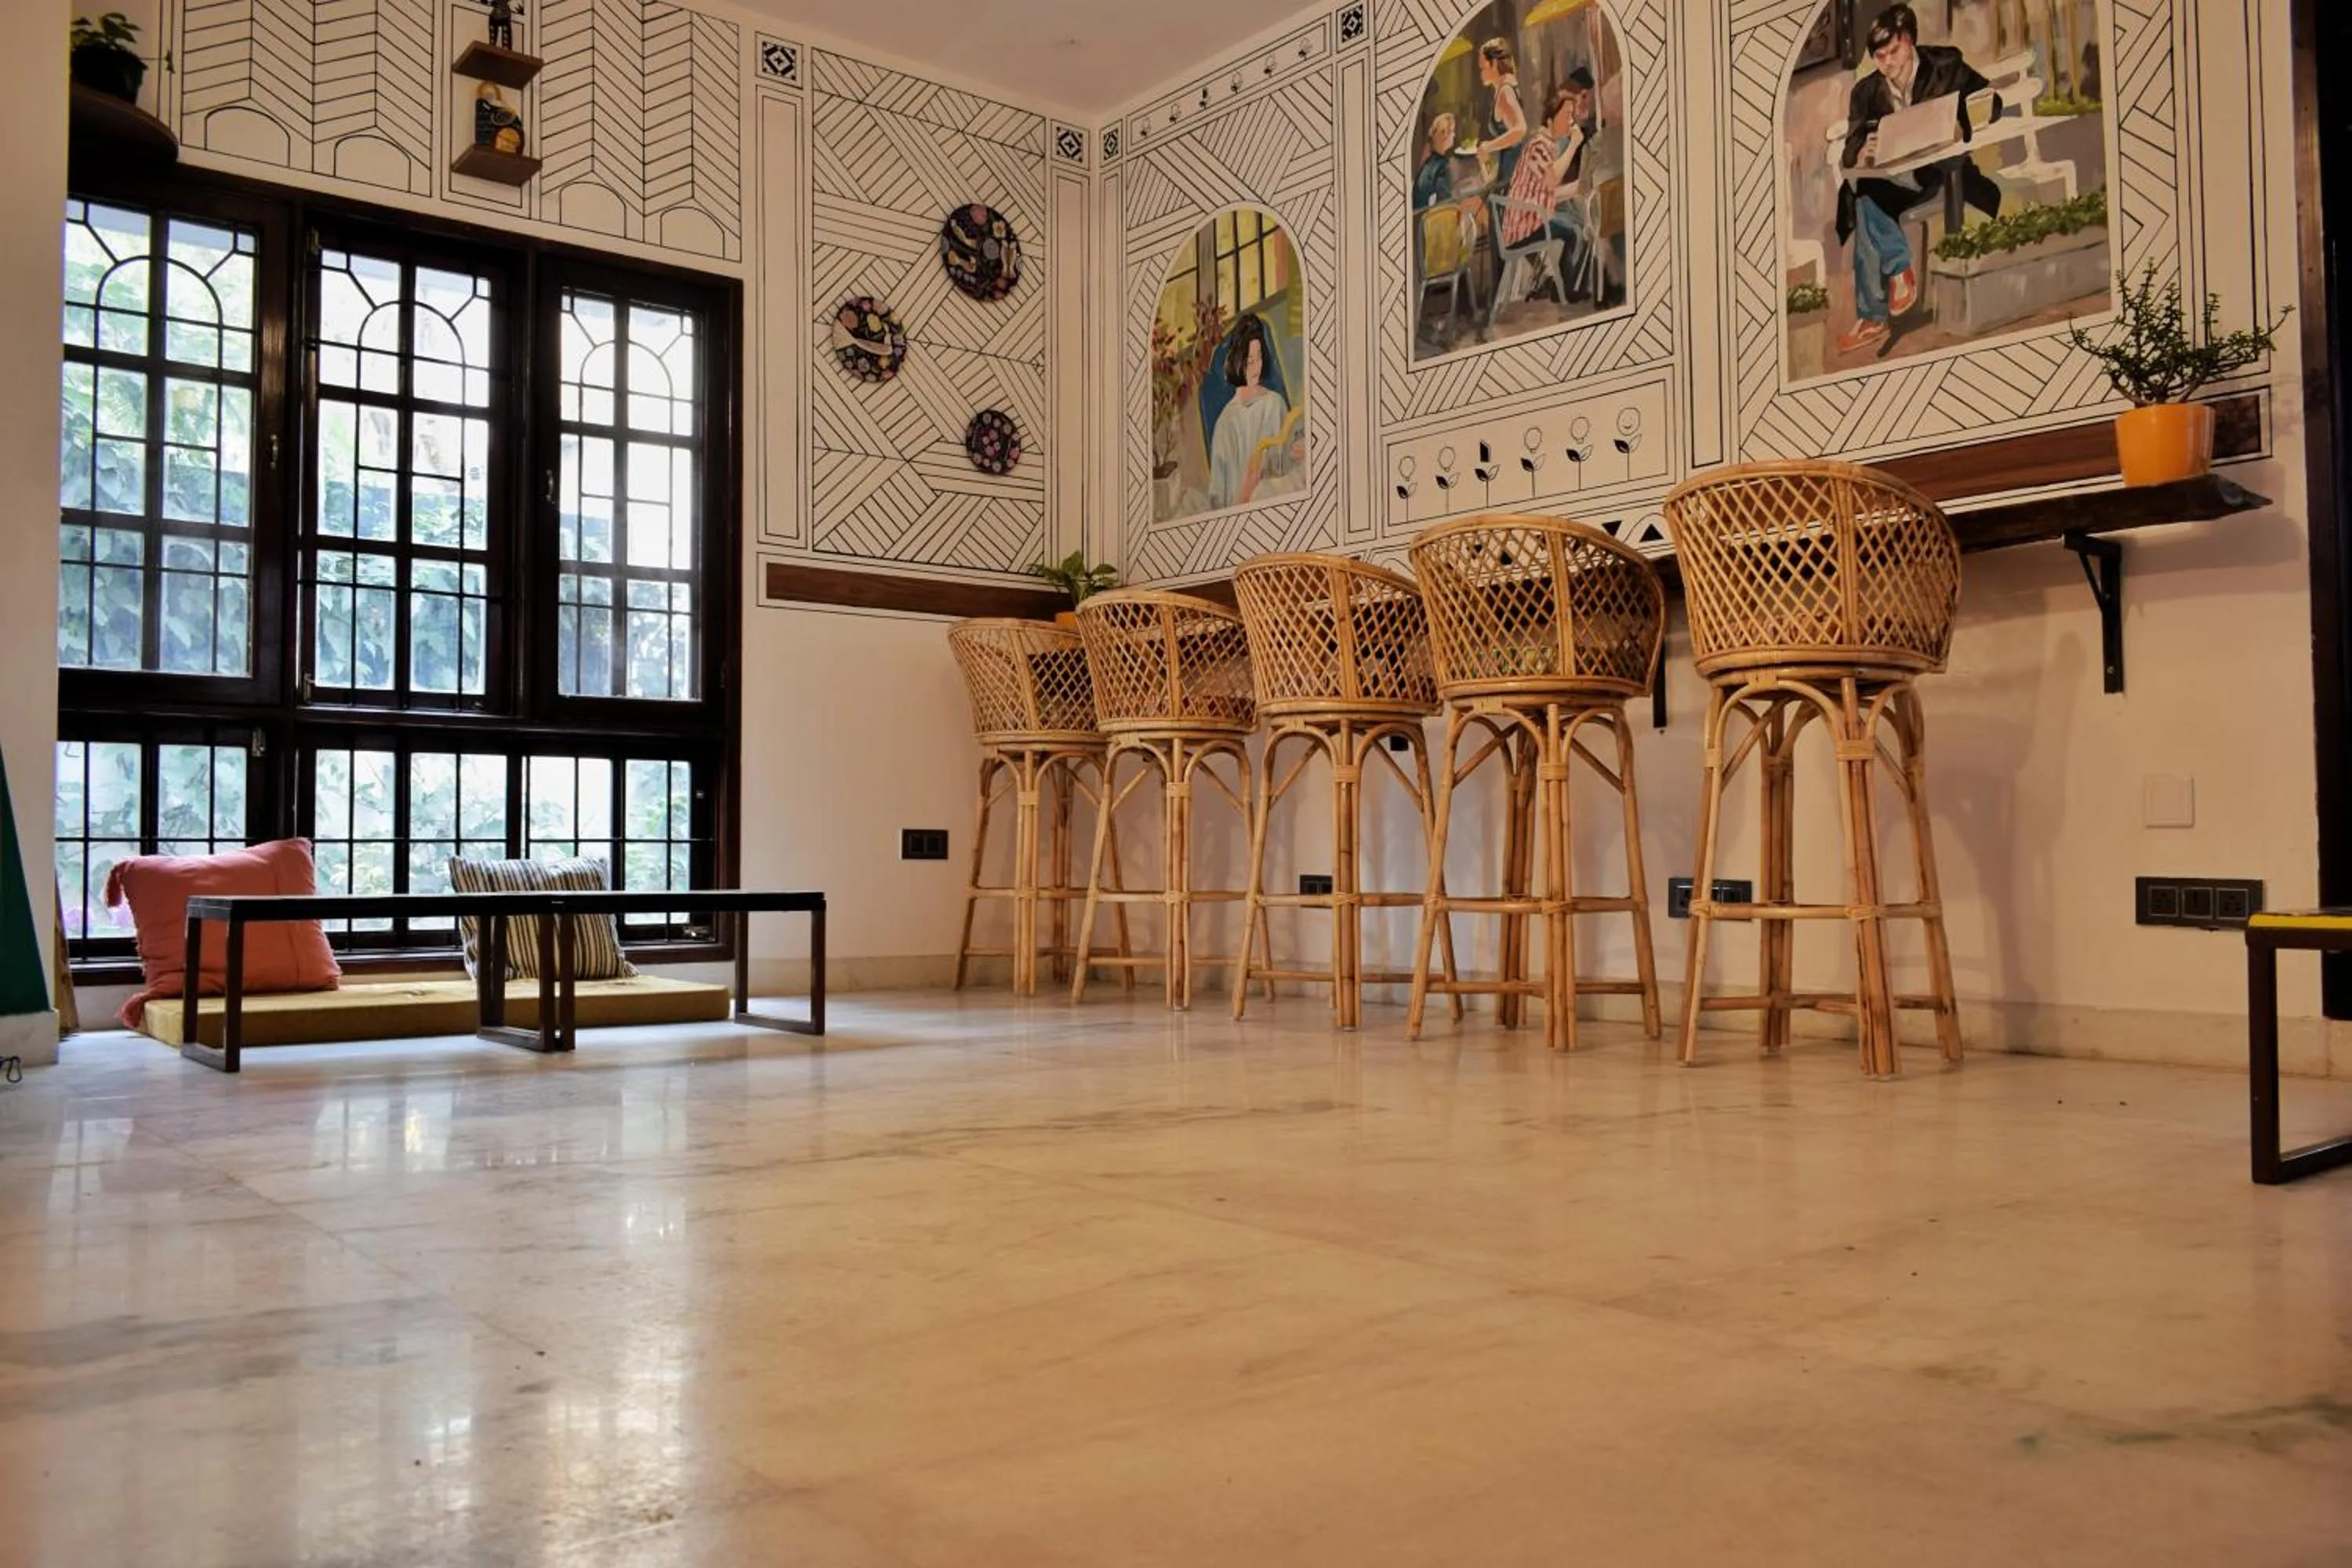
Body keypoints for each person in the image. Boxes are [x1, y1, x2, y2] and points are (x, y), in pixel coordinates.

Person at [1835, 4, 2002, 355]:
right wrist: (1863, 147)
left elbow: (1992, 101)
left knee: (1865, 203)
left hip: (1940, 174)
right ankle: (1897, 278)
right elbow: (1848, 151)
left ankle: (1875, 314)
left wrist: (1963, 124)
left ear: (1908, 41)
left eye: (1893, 52)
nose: (1888, 63)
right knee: (1864, 192)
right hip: (1894, 182)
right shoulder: (1865, 92)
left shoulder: (1945, 66)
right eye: (1879, 57)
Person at [1207, 316, 1299, 510]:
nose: (1255, 368)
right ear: (1237, 363)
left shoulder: (1275, 403)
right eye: (1249, 361)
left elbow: (1285, 464)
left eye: (1259, 359)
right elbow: (1217, 494)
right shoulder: (1226, 422)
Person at [1541, 71, 1599, 299]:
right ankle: (1564, 284)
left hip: (1578, 197)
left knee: (1577, 220)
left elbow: (1580, 184)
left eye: (1572, 107)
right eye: (1565, 111)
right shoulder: (1564, 138)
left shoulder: (1587, 135)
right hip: (1564, 198)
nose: (1572, 114)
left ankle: (1569, 284)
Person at [1476, 40, 1530, 188]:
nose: (1481, 73)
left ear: (1493, 63)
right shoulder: (1506, 86)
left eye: (1482, 67)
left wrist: (1488, 147)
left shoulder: (1505, 91)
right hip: (1511, 169)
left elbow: (1520, 129)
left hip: (1511, 174)